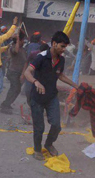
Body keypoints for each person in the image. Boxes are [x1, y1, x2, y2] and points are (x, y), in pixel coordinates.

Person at [23, 31, 80, 161]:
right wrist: (36, 82)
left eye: (65, 47)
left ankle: (48, 144)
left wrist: (76, 86)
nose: (64, 49)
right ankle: (37, 150)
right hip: (37, 97)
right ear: (54, 44)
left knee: (56, 125)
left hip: (51, 96)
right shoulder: (41, 57)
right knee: (39, 127)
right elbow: (28, 72)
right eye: (62, 46)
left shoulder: (61, 60)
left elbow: (60, 75)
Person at [0, 31, 26, 114]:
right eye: (22, 40)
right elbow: (16, 51)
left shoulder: (22, 49)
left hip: (18, 72)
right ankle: (5, 105)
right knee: (14, 89)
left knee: (16, 89)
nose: (23, 42)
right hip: (13, 72)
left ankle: (7, 103)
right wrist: (18, 39)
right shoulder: (13, 47)